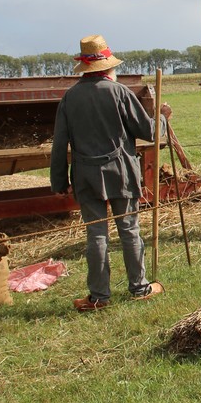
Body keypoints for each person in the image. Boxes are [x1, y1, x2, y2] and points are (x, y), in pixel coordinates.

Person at [50, 35, 166, 311]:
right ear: (108, 67)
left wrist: (59, 181)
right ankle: (139, 288)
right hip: (120, 173)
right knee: (129, 229)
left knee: (96, 235)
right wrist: (162, 118)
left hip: (86, 176)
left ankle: (99, 297)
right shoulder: (119, 92)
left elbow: (59, 143)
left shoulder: (69, 98)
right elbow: (148, 131)